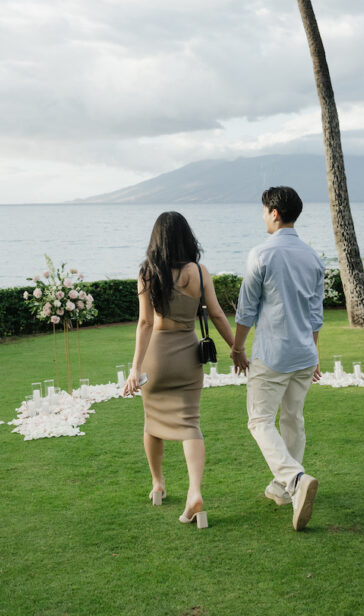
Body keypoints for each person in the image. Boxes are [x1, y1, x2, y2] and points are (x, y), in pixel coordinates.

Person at [123, 211, 238, 528]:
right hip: (189, 356)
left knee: (152, 422)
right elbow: (215, 314)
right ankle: (195, 492)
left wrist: (135, 369)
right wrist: (236, 348)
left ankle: (158, 483)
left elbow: (145, 323)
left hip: (157, 358)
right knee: (190, 424)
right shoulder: (199, 272)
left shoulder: (148, 273)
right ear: (187, 238)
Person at [231, 186, 324, 531]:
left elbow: (246, 311)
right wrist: (314, 354)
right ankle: (284, 489)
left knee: (259, 421)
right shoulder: (314, 258)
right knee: (293, 418)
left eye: (264, 211)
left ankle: (295, 480)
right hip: (304, 353)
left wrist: (237, 348)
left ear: (274, 213)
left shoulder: (261, 254)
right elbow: (316, 315)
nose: (263, 217)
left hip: (273, 354)